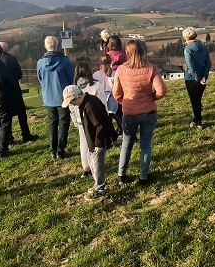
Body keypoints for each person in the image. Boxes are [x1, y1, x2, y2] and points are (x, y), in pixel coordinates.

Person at [113, 40, 168, 186]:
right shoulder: (151, 68)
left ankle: (121, 174)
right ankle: (143, 177)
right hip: (148, 112)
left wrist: (125, 102)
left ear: (127, 53)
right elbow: (162, 90)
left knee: (126, 145)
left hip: (129, 113)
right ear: (142, 52)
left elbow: (116, 93)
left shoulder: (121, 69)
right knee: (146, 145)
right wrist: (152, 97)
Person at [62, 85, 118, 200]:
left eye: (72, 101)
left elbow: (99, 125)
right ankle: (98, 183)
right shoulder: (87, 102)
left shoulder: (90, 106)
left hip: (97, 140)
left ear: (78, 97)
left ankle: (100, 188)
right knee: (92, 160)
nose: (72, 104)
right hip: (92, 138)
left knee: (97, 163)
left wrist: (99, 143)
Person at [37, 36, 74, 159]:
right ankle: (60, 150)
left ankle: (52, 150)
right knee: (64, 123)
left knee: (52, 123)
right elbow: (71, 78)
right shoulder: (64, 61)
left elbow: (40, 79)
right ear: (57, 46)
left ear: (46, 46)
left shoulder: (40, 63)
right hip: (63, 96)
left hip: (48, 97)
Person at [0, 41, 38, 143]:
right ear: (7, 49)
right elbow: (19, 74)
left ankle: (9, 137)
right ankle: (26, 135)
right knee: (21, 114)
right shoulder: (11, 59)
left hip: (2, 92)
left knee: (7, 116)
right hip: (14, 90)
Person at [71, 61, 107, 177]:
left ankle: (86, 168)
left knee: (84, 144)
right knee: (95, 145)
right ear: (90, 72)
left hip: (81, 121)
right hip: (95, 121)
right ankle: (95, 167)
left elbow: (71, 106)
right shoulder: (96, 86)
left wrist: (75, 120)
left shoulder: (73, 88)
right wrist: (105, 118)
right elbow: (102, 104)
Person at [182, 27, 211, 129]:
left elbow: (191, 66)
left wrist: (198, 78)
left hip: (191, 79)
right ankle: (197, 117)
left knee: (194, 101)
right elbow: (208, 63)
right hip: (203, 78)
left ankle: (197, 122)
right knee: (198, 99)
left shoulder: (188, 49)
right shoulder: (203, 46)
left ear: (185, 38)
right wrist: (204, 77)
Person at [93, 53, 122, 134]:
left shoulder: (95, 75)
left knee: (106, 120)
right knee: (119, 118)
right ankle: (124, 132)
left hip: (100, 100)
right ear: (111, 62)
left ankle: (109, 135)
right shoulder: (115, 73)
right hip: (114, 99)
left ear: (100, 63)